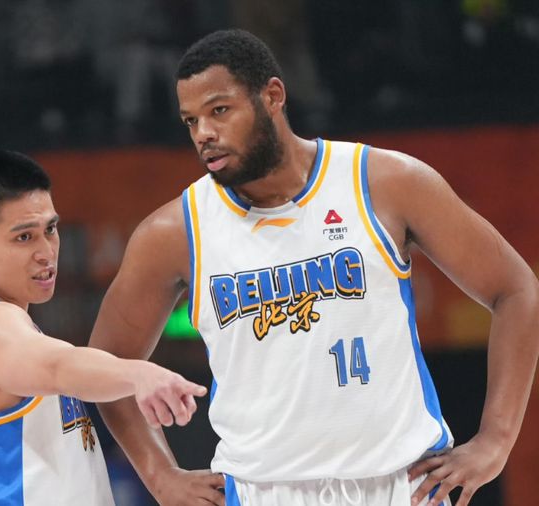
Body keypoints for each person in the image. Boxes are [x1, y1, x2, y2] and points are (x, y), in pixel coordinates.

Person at [88, 29, 539, 506]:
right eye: (190, 120)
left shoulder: (385, 182)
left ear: (272, 96)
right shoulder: (173, 232)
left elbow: (516, 290)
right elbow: (104, 366)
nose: (204, 134)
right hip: (264, 492)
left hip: (400, 484)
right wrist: (160, 477)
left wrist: (496, 440)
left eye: (219, 110)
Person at [0, 150, 207, 505]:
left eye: (50, 229)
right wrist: (139, 374)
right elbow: (58, 366)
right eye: (24, 237)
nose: (46, 251)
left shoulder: (3, 326)